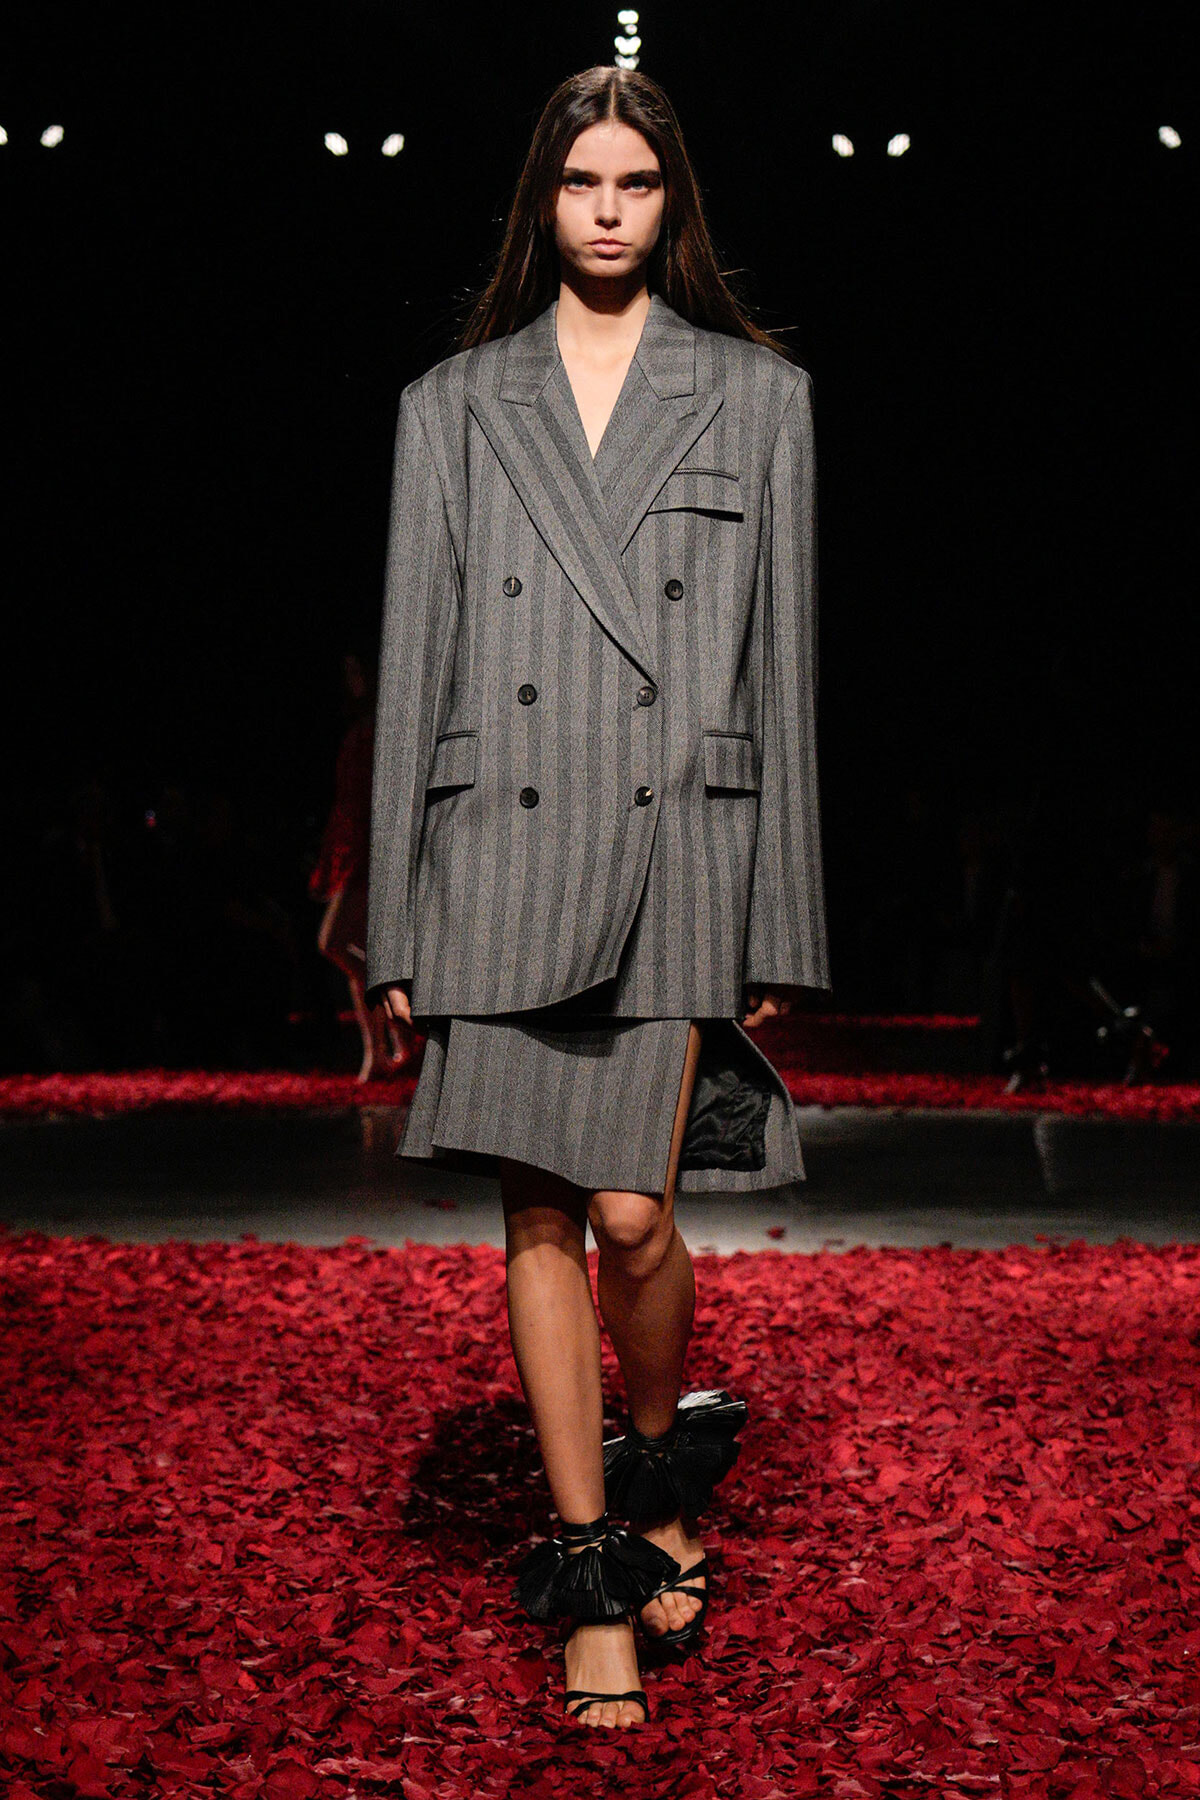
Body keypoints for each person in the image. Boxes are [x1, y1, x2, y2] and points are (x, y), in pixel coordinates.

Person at [365, 65, 830, 1729]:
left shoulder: (759, 400)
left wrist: (780, 913)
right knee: (542, 1219)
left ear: (674, 202)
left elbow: (782, 670)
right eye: (583, 184)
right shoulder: (451, 407)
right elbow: (416, 665)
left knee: (635, 1215)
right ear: (543, 204)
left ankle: (655, 1471)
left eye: (639, 182)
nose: (612, 208)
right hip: (495, 842)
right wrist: (396, 924)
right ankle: (596, 1573)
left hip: (673, 851)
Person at [310, 649, 415, 1080]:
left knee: (335, 942)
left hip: (372, 845)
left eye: (357, 669)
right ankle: (385, 1052)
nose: (351, 679)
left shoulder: (384, 725)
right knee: (363, 950)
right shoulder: (365, 725)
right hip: (356, 844)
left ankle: (404, 1033)